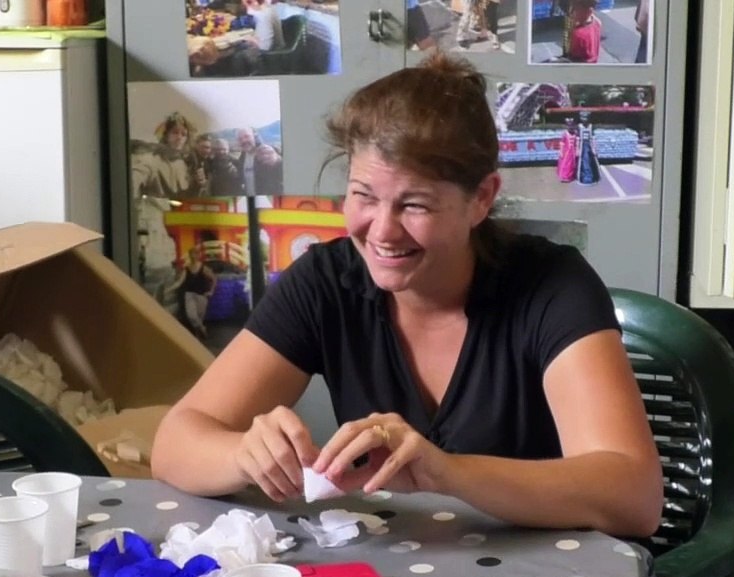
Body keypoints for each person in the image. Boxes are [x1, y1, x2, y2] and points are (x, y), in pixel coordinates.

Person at [151, 53, 662, 534]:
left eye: (414, 205)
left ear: (482, 198)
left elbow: (633, 497)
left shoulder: (552, 287)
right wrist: (244, 453)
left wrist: (447, 473)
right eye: (363, 196)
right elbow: (175, 445)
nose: (382, 232)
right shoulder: (326, 282)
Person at [169, 243, 218, 338]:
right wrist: (169, 289)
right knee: (192, 316)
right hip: (189, 294)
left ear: (198, 255)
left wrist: (211, 291)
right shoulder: (186, 269)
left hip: (201, 295)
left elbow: (214, 278)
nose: (194, 256)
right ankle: (203, 328)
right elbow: (179, 282)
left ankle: (198, 337)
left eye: (196, 254)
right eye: (192, 254)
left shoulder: (203, 268)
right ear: (190, 255)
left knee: (199, 318)